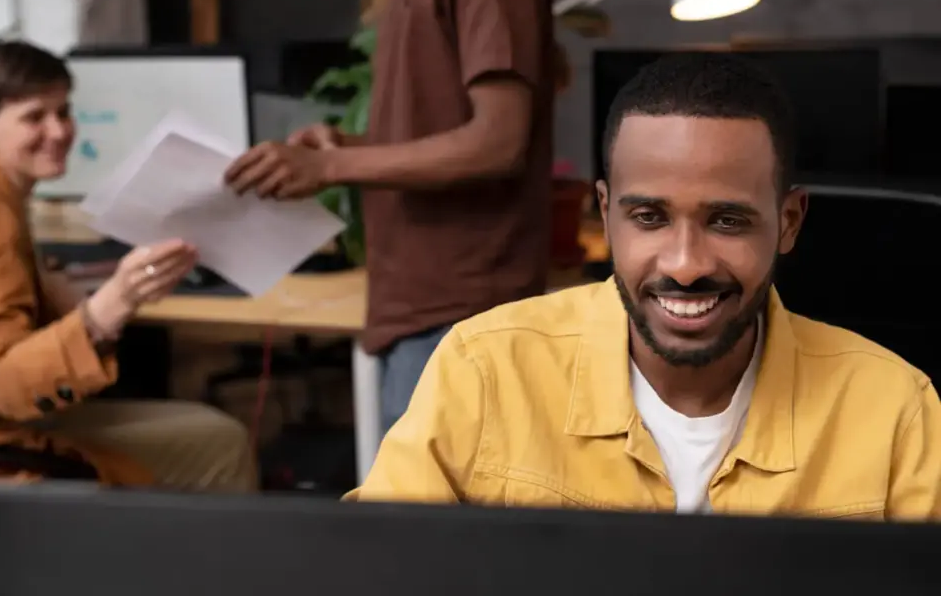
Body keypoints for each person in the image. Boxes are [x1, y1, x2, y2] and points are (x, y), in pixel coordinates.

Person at [345, 53, 941, 520]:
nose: (684, 265)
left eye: (727, 221)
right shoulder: (486, 370)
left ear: (788, 222)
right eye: (649, 218)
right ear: (604, 216)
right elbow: (369, 568)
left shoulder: (895, 409)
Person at [224, 0, 556, 434]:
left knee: (436, 516)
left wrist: (332, 165)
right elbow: (449, 130)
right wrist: (348, 147)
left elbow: (499, 141)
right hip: (420, 312)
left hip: (462, 316)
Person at [0, 40, 256, 490]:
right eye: (34, 117)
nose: (59, 131)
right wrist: (108, 309)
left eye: (63, 111)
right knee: (221, 441)